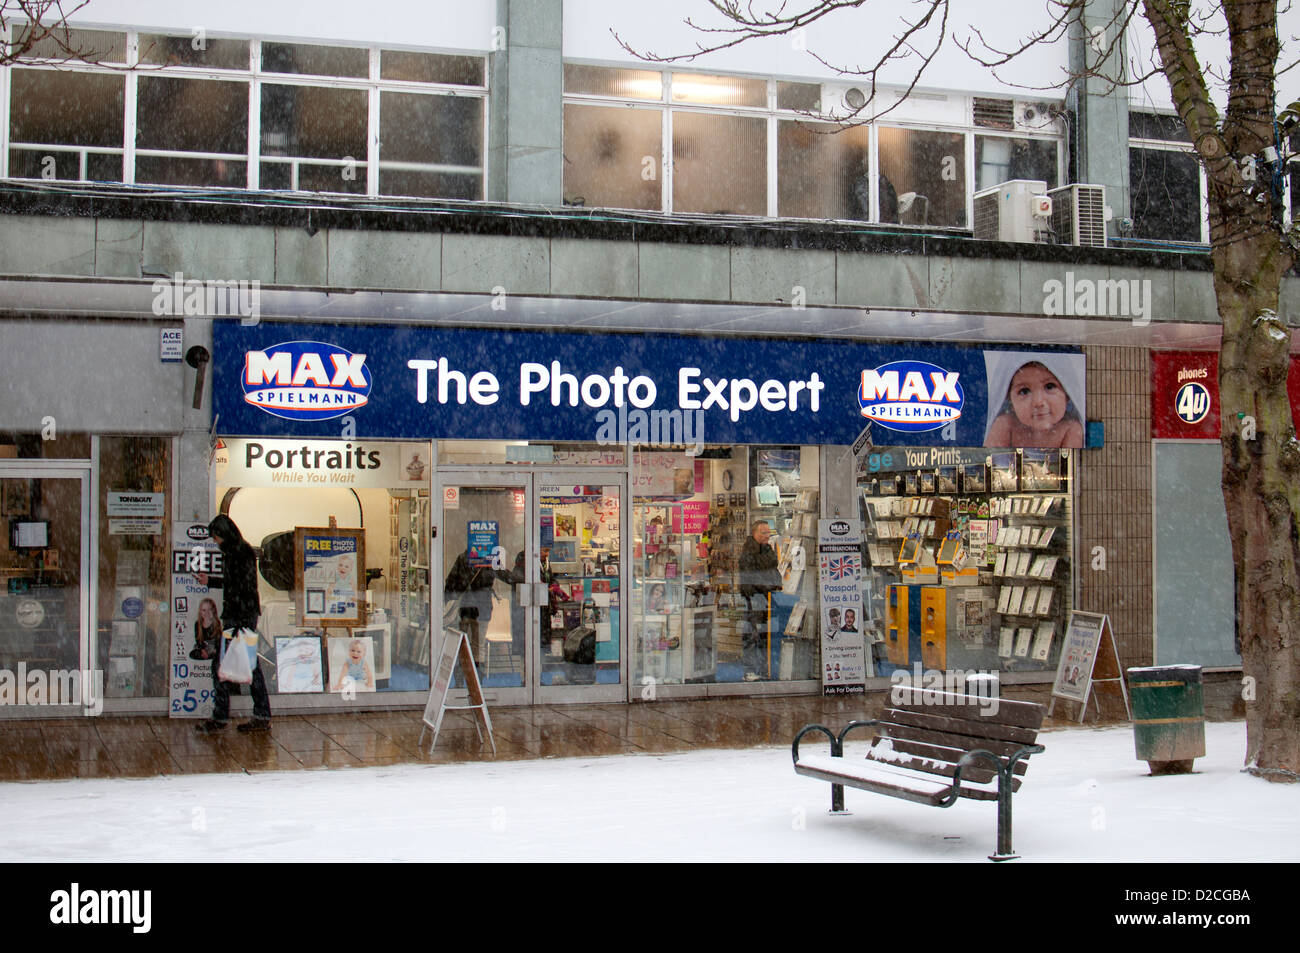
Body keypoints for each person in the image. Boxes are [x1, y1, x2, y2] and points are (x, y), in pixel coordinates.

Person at [193, 514, 271, 733]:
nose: (215, 542)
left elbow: (238, 585)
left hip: (239, 618)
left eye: (216, 537)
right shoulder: (240, 551)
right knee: (247, 666)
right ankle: (260, 714)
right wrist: (213, 581)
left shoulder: (239, 553)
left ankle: (222, 717)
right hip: (242, 617)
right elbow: (239, 584)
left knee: (223, 665)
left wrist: (214, 582)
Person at [985, 357, 1084, 448]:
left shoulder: (1071, 428)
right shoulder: (1005, 425)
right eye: (1024, 391)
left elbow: (1071, 464)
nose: (1038, 402)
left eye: (1049, 386)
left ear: (1067, 394)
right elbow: (988, 460)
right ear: (1010, 401)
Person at [738, 520, 782, 679]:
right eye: (763, 532)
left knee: (765, 635)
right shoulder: (748, 553)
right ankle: (749, 670)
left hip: (768, 598)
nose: (767, 535)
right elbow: (751, 578)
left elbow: (772, 570)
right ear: (755, 533)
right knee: (752, 635)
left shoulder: (768, 549)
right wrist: (763, 590)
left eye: (768, 532)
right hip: (755, 599)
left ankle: (764, 668)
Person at [189, 597, 220, 661]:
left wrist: (213, 650)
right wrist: (202, 650)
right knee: (193, 653)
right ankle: (205, 655)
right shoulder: (198, 624)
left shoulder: (217, 624)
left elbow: (218, 641)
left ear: (214, 610)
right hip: (202, 646)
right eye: (204, 610)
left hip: (213, 647)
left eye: (210, 610)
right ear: (200, 612)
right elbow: (198, 639)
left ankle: (210, 656)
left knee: (217, 651)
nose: (207, 613)